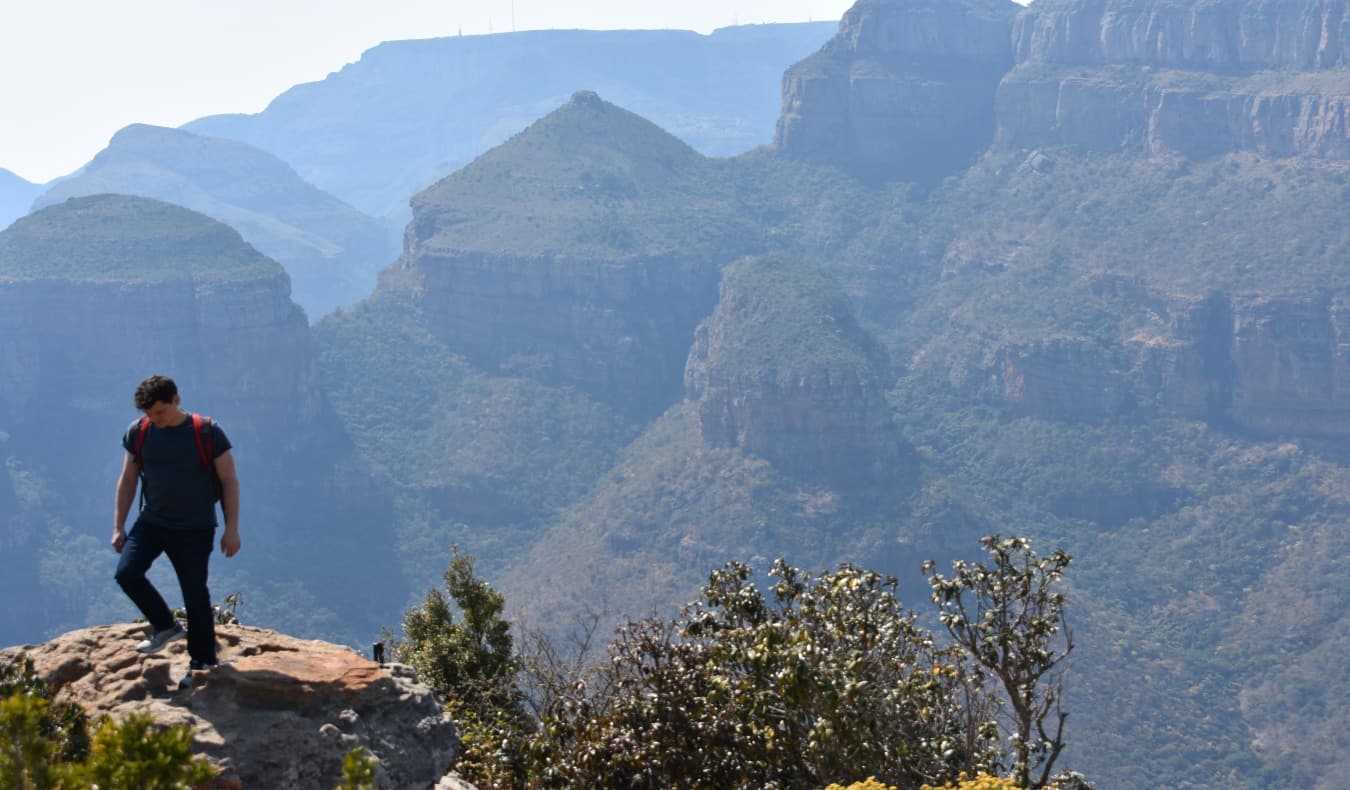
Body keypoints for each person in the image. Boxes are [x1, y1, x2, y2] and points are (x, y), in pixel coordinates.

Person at [112, 375, 240, 690]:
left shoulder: (207, 433)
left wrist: (231, 529)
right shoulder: (139, 432)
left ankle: (202, 662)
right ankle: (166, 626)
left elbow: (229, 481)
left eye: (159, 412)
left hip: (194, 529)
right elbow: (128, 479)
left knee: (195, 595)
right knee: (127, 573)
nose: (154, 419)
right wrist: (119, 525)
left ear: (176, 400)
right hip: (152, 521)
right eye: (148, 414)